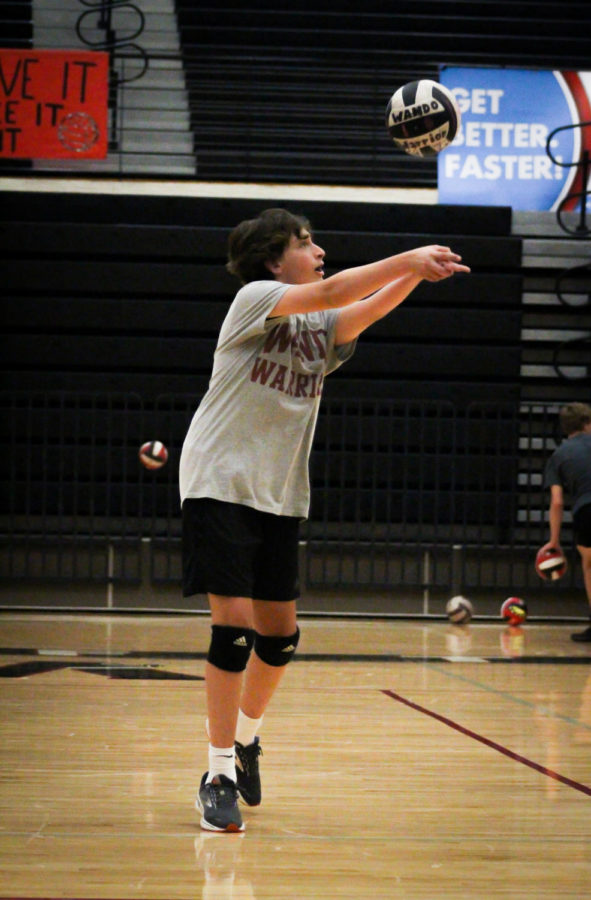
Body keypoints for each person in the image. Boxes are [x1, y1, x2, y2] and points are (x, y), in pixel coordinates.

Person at [179, 207, 470, 832]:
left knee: (279, 637)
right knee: (232, 627)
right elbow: (340, 289)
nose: (319, 249)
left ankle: (248, 742)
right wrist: (406, 258)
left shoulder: (317, 327)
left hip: (279, 491)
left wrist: (419, 275)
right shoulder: (254, 299)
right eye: (305, 242)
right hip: (220, 479)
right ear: (271, 260)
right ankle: (217, 771)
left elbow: (360, 308)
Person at [541, 402, 591, 642]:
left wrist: (553, 541)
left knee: (590, 565)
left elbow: (558, 502)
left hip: (587, 510)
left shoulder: (558, 455)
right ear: (587, 423)